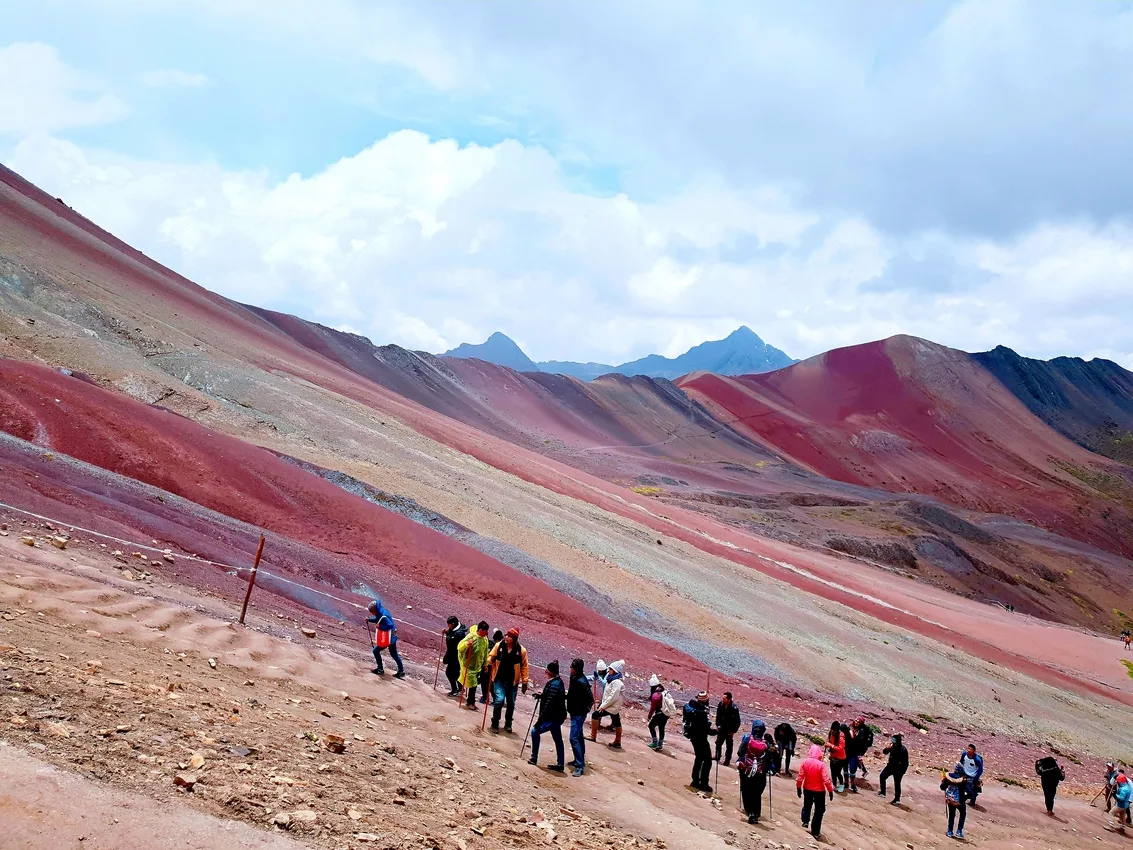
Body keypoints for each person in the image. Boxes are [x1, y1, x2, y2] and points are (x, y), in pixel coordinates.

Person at [528, 661, 568, 772]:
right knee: (558, 739)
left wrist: (540, 721)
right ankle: (560, 764)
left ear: (549, 672)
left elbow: (549, 704)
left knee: (535, 731)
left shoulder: (554, 684)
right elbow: (551, 698)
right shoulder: (557, 682)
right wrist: (541, 696)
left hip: (553, 717)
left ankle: (534, 758)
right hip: (558, 716)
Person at [487, 628, 529, 732]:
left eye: (509, 636)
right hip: (499, 679)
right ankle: (495, 723)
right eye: (506, 635)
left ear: (514, 639)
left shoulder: (521, 651)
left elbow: (524, 666)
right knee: (499, 700)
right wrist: (490, 661)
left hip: (512, 682)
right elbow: (490, 657)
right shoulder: (499, 646)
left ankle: (508, 723)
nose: (506, 637)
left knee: (511, 703)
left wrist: (525, 681)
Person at [796, 744, 834, 839]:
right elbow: (826, 780)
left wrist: (798, 788)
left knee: (807, 806)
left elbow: (800, 777)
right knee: (819, 811)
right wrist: (830, 791)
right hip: (819, 791)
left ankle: (805, 821)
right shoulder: (821, 765)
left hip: (807, 789)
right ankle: (815, 831)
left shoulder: (805, 762)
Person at [736, 719, 771, 824]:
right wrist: (766, 770)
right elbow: (769, 759)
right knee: (756, 793)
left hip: (746, 769)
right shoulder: (766, 743)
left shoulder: (747, 739)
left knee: (746, 790)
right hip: (760, 772)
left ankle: (749, 812)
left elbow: (740, 753)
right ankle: (755, 814)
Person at [684, 691, 717, 792]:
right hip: (701, 738)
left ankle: (695, 781)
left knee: (699, 758)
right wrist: (716, 731)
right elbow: (706, 729)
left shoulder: (691, 707)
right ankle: (703, 783)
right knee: (707, 761)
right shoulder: (702, 713)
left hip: (693, 736)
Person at [566, 659, 594, 777]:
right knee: (578, 736)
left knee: (573, 738)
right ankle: (579, 759)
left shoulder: (582, 682)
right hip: (574, 711)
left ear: (575, 668)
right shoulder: (574, 678)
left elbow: (590, 699)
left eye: (571, 667)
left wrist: (585, 710)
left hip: (579, 713)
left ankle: (579, 765)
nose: (570, 669)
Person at [366, 598, 405, 678]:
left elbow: (389, 625)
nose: (372, 614)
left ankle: (380, 669)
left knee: (375, 651)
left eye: (371, 612)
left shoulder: (384, 615)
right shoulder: (381, 611)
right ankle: (401, 671)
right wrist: (370, 620)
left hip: (389, 637)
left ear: (374, 610)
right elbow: (378, 619)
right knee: (394, 654)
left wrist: (380, 627)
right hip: (393, 636)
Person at [456, 621, 490, 710]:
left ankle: (470, 701)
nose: (486, 633)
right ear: (480, 630)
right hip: (468, 665)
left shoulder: (485, 639)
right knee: (473, 685)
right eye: (485, 631)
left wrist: (485, 665)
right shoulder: (471, 637)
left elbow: (485, 652)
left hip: (478, 666)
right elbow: (459, 647)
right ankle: (470, 702)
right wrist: (467, 644)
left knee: (474, 684)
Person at [591, 659, 625, 748]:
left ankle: (592, 736)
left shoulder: (616, 682)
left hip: (611, 706)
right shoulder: (611, 680)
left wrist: (603, 706)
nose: (608, 670)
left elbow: (612, 696)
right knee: (617, 722)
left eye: (610, 669)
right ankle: (617, 742)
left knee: (595, 715)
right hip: (613, 706)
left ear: (614, 671)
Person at [877, 733, 908, 805]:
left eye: (895, 742)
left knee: (897, 783)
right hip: (890, 766)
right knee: (882, 776)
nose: (893, 743)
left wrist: (902, 772)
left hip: (899, 769)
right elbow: (885, 752)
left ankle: (897, 799)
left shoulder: (903, 750)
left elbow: (905, 762)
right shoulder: (892, 747)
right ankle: (882, 792)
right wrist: (887, 748)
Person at [442, 616, 468, 698]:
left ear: (452, 624)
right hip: (453, 656)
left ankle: (457, 689)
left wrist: (447, 634)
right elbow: (450, 634)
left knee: (452, 673)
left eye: (449, 624)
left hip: (457, 657)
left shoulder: (459, 633)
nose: (448, 626)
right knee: (454, 674)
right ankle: (458, 689)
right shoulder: (456, 630)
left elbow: (451, 642)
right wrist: (447, 632)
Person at [714, 691, 742, 766]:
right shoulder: (720, 704)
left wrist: (733, 731)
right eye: (722, 698)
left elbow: (737, 721)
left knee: (729, 746)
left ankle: (727, 760)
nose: (723, 700)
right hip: (721, 728)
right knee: (718, 743)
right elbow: (718, 715)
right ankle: (717, 756)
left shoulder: (734, 708)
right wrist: (717, 725)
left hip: (729, 730)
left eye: (724, 699)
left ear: (729, 699)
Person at [846, 716, 874, 792]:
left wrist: (851, 735)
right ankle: (846, 783)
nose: (856, 722)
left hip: (856, 752)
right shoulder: (851, 727)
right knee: (845, 767)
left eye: (858, 722)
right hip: (848, 750)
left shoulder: (863, 732)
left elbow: (859, 742)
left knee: (852, 769)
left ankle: (852, 784)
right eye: (856, 721)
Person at [646, 674, 671, 751]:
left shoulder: (655, 695)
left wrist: (649, 717)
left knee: (651, 726)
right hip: (666, 714)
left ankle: (654, 742)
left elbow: (653, 708)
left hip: (659, 714)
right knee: (661, 728)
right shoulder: (664, 692)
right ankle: (660, 745)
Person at [942, 764, 968, 839]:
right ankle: (959, 831)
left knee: (952, 815)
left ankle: (950, 831)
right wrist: (965, 798)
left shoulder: (948, 777)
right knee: (963, 814)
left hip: (950, 800)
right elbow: (969, 791)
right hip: (960, 801)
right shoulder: (963, 779)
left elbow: (942, 787)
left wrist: (943, 781)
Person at [481, 629, 503, 704]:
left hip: (488, 666)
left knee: (485, 683)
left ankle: (485, 698)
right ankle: (495, 699)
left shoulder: (490, 644)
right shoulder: (502, 646)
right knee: (492, 685)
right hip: (496, 669)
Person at [827, 721, 848, 792]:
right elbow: (830, 742)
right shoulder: (831, 733)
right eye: (832, 729)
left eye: (834, 730)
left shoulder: (841, 738)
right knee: (833, 772)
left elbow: (840, 748)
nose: (833, 731)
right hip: (833, 756)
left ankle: (842, 784)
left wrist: (831, 745)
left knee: (837, 773)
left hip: (840, 758)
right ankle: (834, 785)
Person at [591, 660, 609, 731]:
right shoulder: (600, 673)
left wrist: (598, 677)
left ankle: (596, 724)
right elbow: (593, 677)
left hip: (608, 695)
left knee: (600, 709)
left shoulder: (608, 674)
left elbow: (603, 683)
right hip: (604, 695)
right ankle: (597, 723)